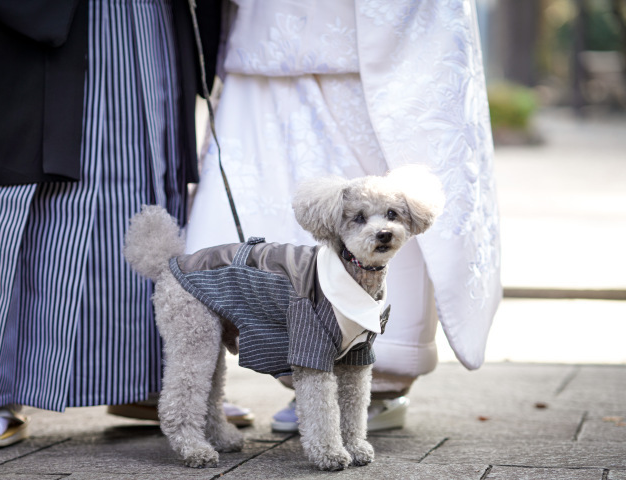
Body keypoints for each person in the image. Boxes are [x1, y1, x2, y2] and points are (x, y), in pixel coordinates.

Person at [0, 0, 251, 448]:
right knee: (23, 183)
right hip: (40, 31)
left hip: (144, 18)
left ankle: (153, 383)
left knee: (143, 181)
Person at [185, 0, 501, 431]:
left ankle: (381, 381)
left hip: (361, 36)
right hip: (269, 34)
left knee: (380, 187)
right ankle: (299, 373)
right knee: (270, 190)